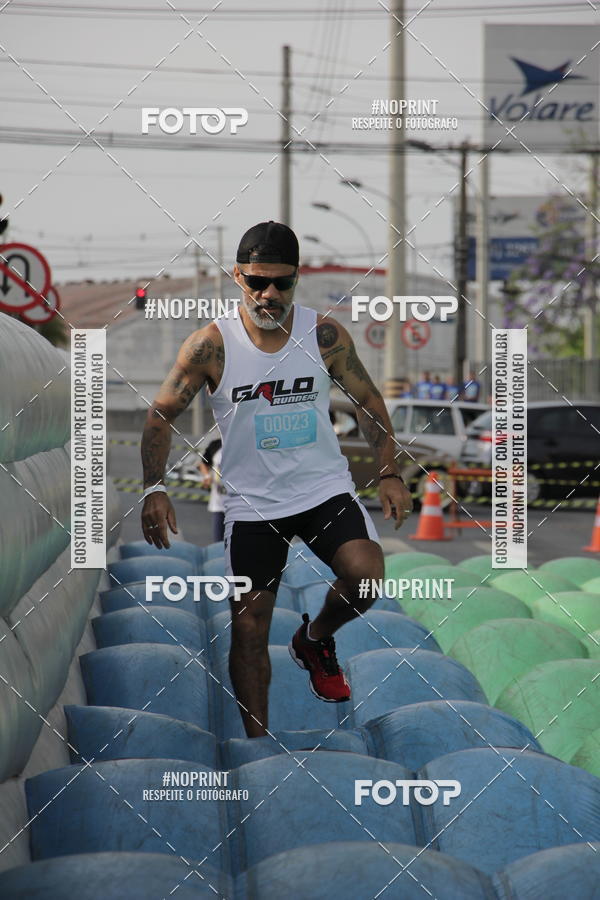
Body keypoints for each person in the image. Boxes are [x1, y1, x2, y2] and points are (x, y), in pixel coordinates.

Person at [140, 221, 413, 739]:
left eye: (282, 283)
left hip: (322, 490)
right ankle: (257, 748)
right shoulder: (210, 346)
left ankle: (314, 639)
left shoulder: (324, 335)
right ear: (237, 276)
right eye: (257, 282)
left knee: (366, 577)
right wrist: (155, 488)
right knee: (248, 627)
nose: (269, 294)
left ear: (297, 278)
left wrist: (390, 472)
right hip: (253, 505)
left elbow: (368, 400)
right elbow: (161, 414)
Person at [197, 437, 225, 542]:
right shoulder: (216, 444)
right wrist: (207, 476)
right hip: (218, 503)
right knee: (218, 542)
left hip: (239, 505)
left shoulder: (244, 445)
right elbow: (203, 463)